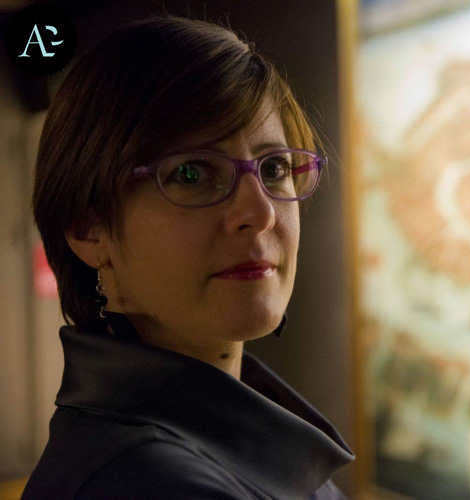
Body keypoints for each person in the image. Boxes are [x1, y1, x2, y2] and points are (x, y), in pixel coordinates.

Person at [21, 14, 355, 500]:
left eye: (274, 168)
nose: (260, 213)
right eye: (192, 174)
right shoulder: (147, 483)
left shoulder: (247, 441)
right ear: (88, 228)